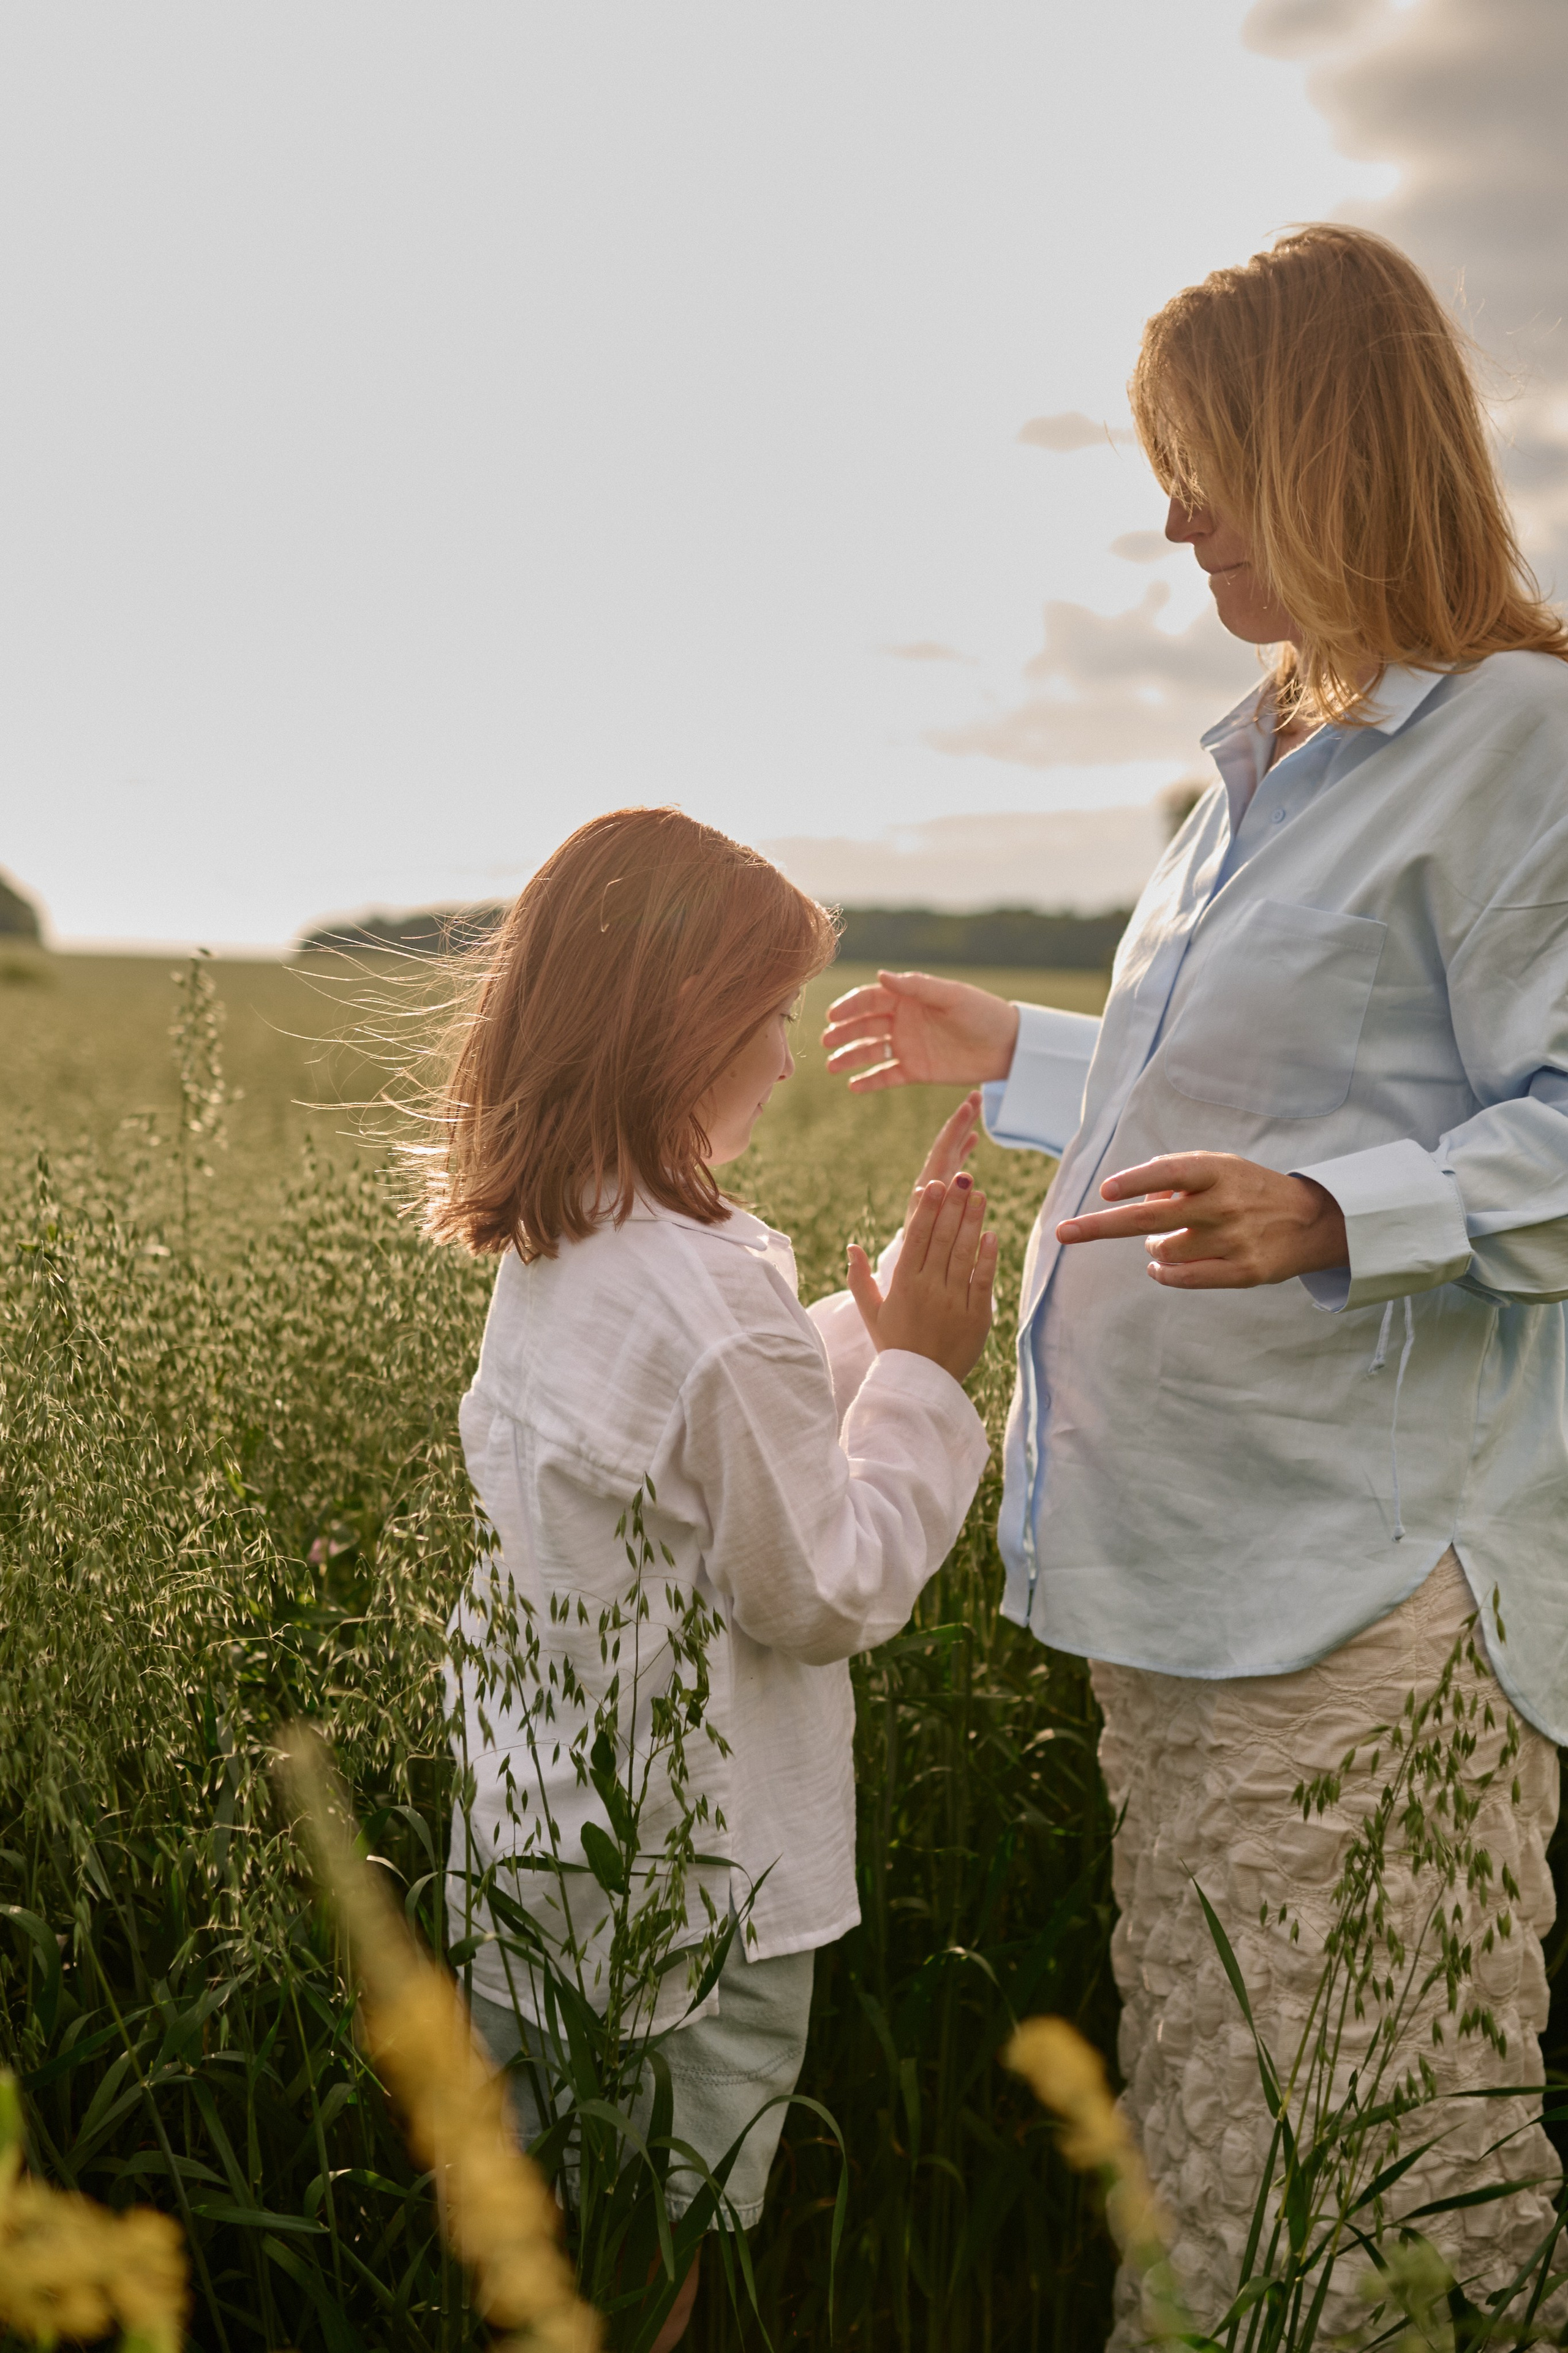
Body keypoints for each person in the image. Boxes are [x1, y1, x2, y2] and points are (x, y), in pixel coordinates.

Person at [823, 224, 1568, 2343]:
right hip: (1196, 1571)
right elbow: (1273, 1094)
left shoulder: (1527, 739)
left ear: (1329, 447)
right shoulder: (1262, 761)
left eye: (1204, 464)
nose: (1172, 523)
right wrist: (1030, 1050)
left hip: (1366, 1587)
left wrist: (1338, 1215)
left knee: (1390, 2165)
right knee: (1228, 2137)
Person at [426, 807, 997, 2351]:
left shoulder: (567, 1238)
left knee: (548, 2225)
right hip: (691, 1887)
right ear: (684, 1031)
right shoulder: (710, 1304)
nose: (788, 1057)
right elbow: (823, 1588)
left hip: (539, 1836)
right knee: (648, 2252)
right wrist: (921, 1376)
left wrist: (867, 1325)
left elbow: (695, 1440)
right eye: (773, 1017)